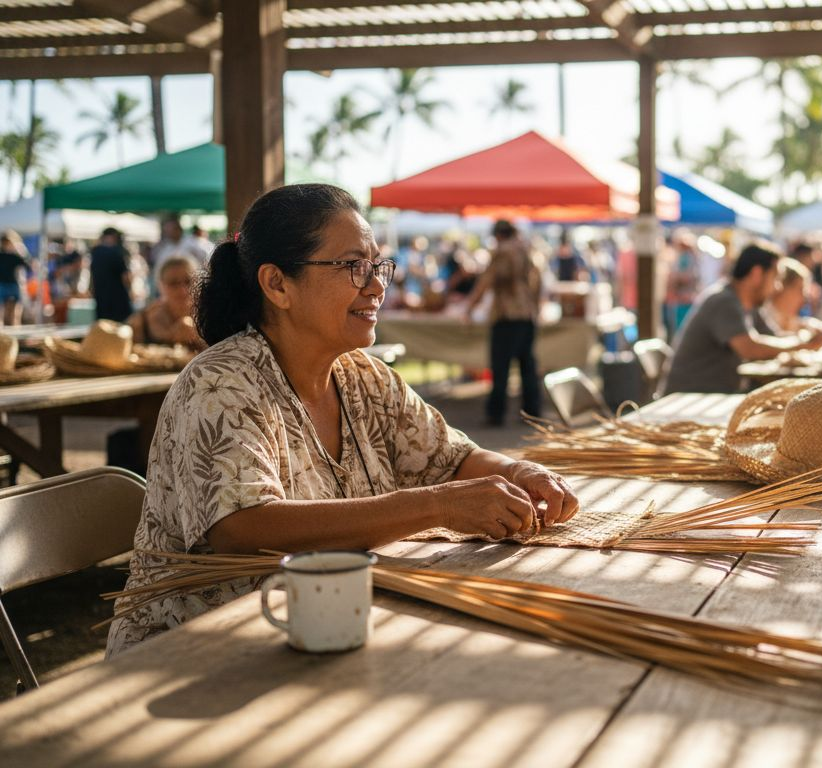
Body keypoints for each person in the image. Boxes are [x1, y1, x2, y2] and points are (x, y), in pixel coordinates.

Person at [106, 184, 578, 656]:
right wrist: (438, 507)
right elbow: (242, 526)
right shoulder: (219, 384)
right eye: (353, 266)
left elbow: (452, 459)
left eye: (376, 266)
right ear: (277, 285)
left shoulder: (363, 378)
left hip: (317, 631)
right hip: (197, 654)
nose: (375, 285)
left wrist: (522, 473)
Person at [664, 244, 822, 395]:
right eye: (775, 278)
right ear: (757, 274)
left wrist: (807, 337)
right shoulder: (724, 300)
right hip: (690, 400)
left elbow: (774, 339)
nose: (777, 287)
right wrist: (805, 343)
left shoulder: (749, 305)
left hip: (712, 396)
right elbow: (750, 348)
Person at [467, 219, 544, 426]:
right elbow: (538, 283)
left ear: (498, 235)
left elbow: (485, 281)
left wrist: (470, 307)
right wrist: (535, 308)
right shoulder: (527, 251)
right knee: (527, 366)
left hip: (506, 316)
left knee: (500, 368)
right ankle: (532, 412)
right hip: (527, 316)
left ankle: (496, 413)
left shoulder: (502, 252)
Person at [128, 254, 205, 350]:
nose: (182, 290)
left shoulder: (209, 319)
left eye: (188, 281)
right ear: (160, 286)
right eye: (173, 283)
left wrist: (198, 337)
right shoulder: (142, 322)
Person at [754, 258, 822, 339]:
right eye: (800, 290)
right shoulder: (761, 315)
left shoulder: (783, 317)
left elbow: (798, 324)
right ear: (783, 287)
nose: (804, 299)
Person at [89, 226, 134, 322]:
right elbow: (126, 277)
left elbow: (92, 277)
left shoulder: (95, 252)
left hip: (101, 299)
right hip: (117, 300)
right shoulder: (116, 252)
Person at [663, 229, 699, 334]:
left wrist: (674, 279)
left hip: (683, 300)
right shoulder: (683, 257)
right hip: (680, 300)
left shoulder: (687, 258)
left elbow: (686, 277)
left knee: (682, 330)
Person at [0, 230, 30, 326]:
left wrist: (20, 249)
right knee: (5, 313)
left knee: (14, 314)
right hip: (4, 285)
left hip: (11, 285)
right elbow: (27, 265)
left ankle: (13, 337)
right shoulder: (12, 256)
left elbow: (27, 265)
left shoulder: (15, 256)